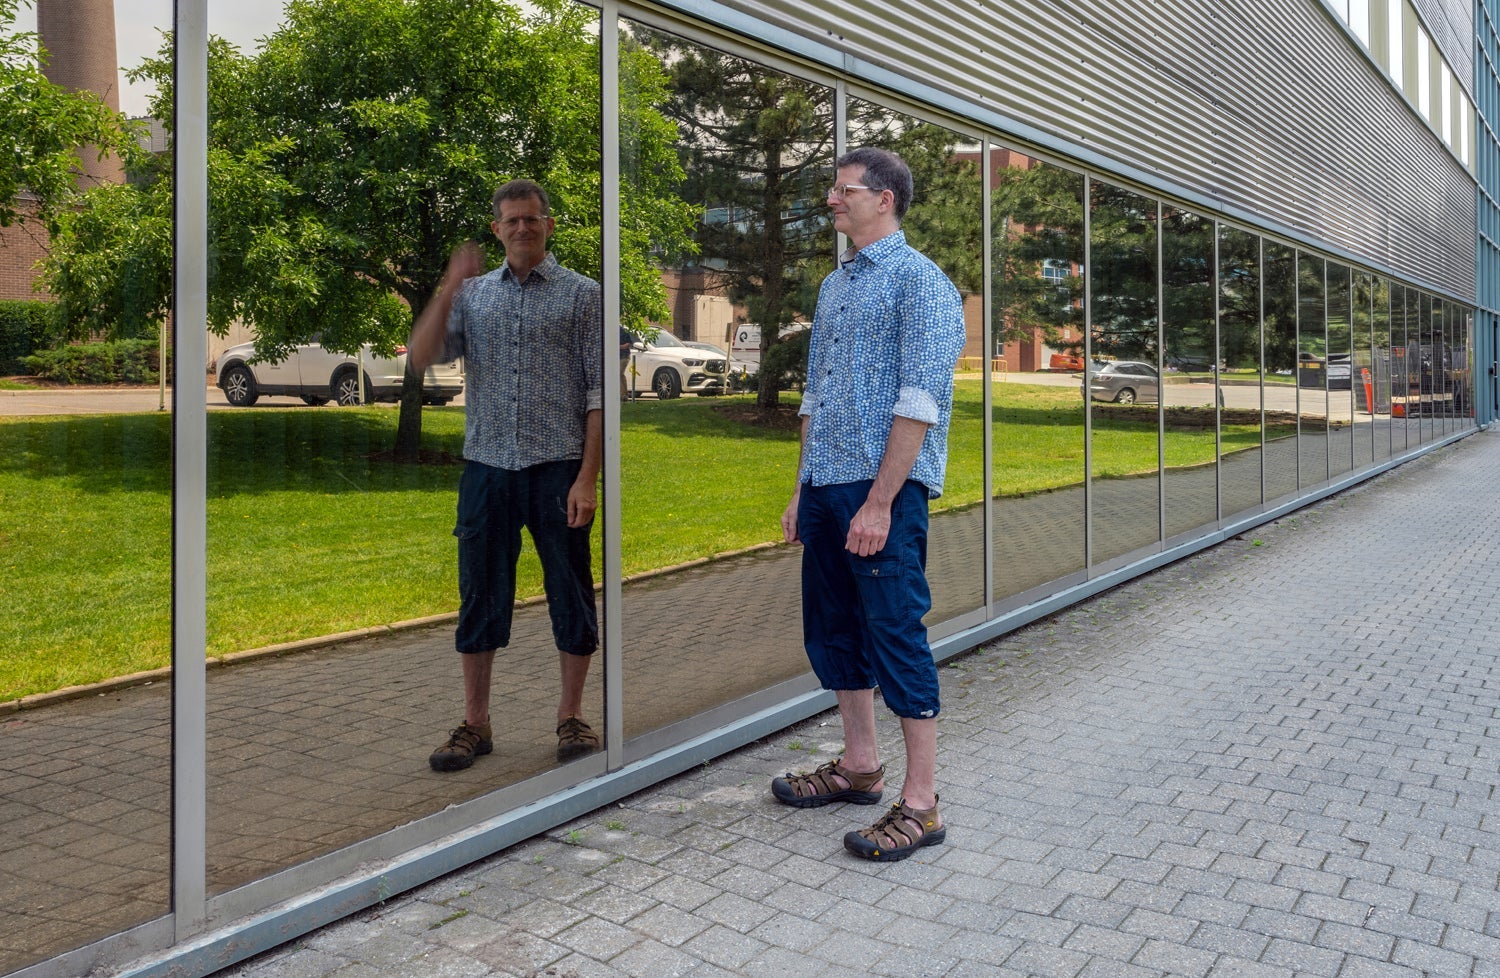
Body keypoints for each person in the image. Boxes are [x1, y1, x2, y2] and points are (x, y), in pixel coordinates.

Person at [771, 147, 965, 861]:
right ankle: (859, 767)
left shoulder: (923, 283)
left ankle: (922, 803)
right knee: (832, 630)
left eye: (843, 189)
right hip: (827, 488)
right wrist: (802, 489)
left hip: (884, 490)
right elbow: (815, 395)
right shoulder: (835, 285)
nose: (832, 199)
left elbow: (921, 402)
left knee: (895, 632)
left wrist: (881, 502)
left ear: (884, 199)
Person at [408, 179, 603, 771]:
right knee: (480, 594)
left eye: (532, 218)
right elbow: (420, 355)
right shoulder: (472, 296)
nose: (523, 228)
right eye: (511, 220)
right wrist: (449, 285)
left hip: (557, 468)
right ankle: (476, 724)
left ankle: (571, 716)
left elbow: (598, 395)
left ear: (548, 224)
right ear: (496, 229)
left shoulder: (583, 295)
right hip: (487, 469)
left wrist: (587, 479)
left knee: (570, 591)